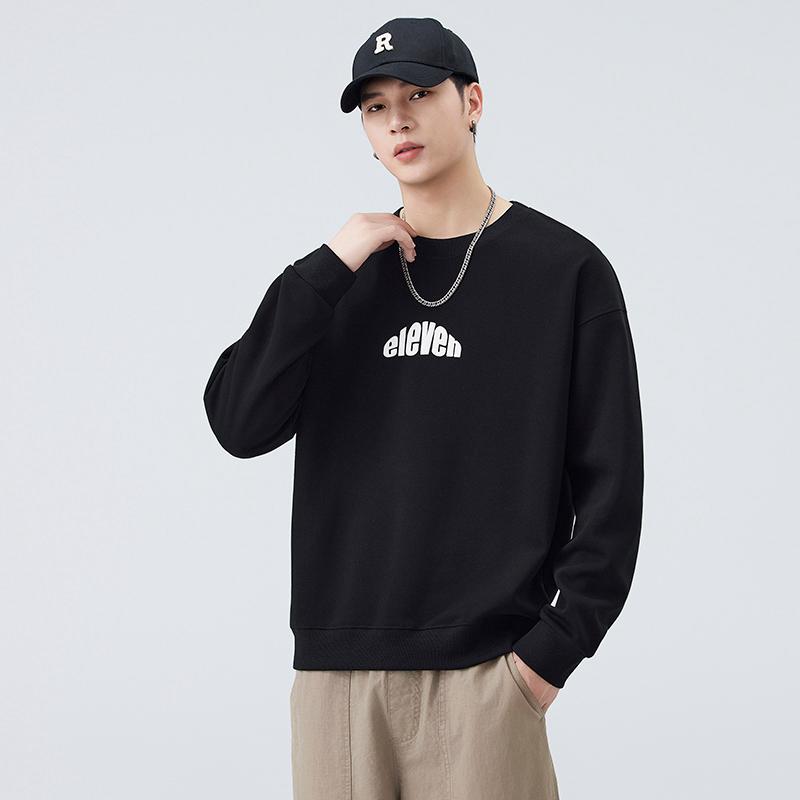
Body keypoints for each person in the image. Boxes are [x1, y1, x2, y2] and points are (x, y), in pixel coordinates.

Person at [203, 16, 644, 800]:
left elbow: (612, 487)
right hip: (338, 679)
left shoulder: (565, 272)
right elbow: (239, 423)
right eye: (375, 107)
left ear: (472, 102)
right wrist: (325, 268)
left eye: (418, 94)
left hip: (490, 675)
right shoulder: (339, 281)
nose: (397, 120)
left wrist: (548, 657)